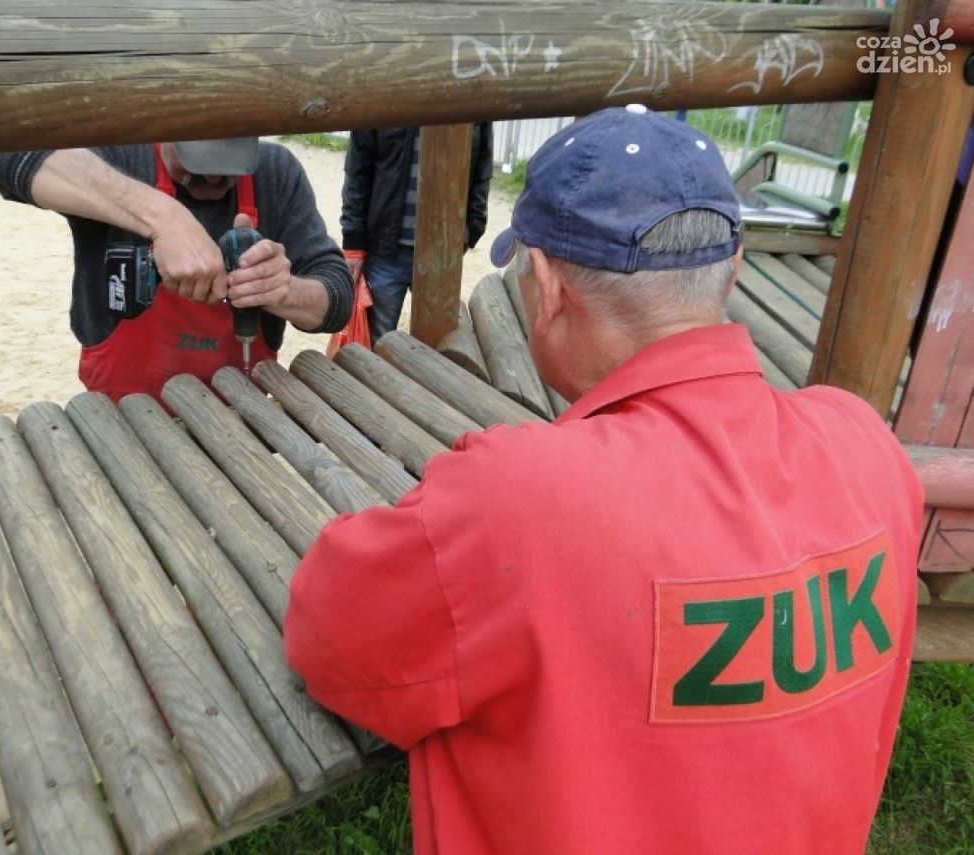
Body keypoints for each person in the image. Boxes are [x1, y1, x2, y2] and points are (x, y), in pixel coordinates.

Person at [284, 106, 924, 854]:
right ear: (731, 271)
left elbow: (331, 636)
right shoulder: (869, 449)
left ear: (548, 287)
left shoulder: (514, 501)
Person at [0, 137, 352, 402]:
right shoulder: (119, 154)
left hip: (238, 414)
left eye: (227, 172)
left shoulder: (275, 172)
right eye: (199, 168)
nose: (212, 180)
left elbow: (337, 300)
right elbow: (8, 153)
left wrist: (284, 291)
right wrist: (162, 217)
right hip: (124, 414)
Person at [340, 125, 493, 343]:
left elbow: (482, 168)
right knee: (376, 347)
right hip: (386, 250)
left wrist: (471, 230)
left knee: (438, 346)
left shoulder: (472, 97)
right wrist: (353, 243)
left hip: (442, 253)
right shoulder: (381, 94)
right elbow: (357, 169)